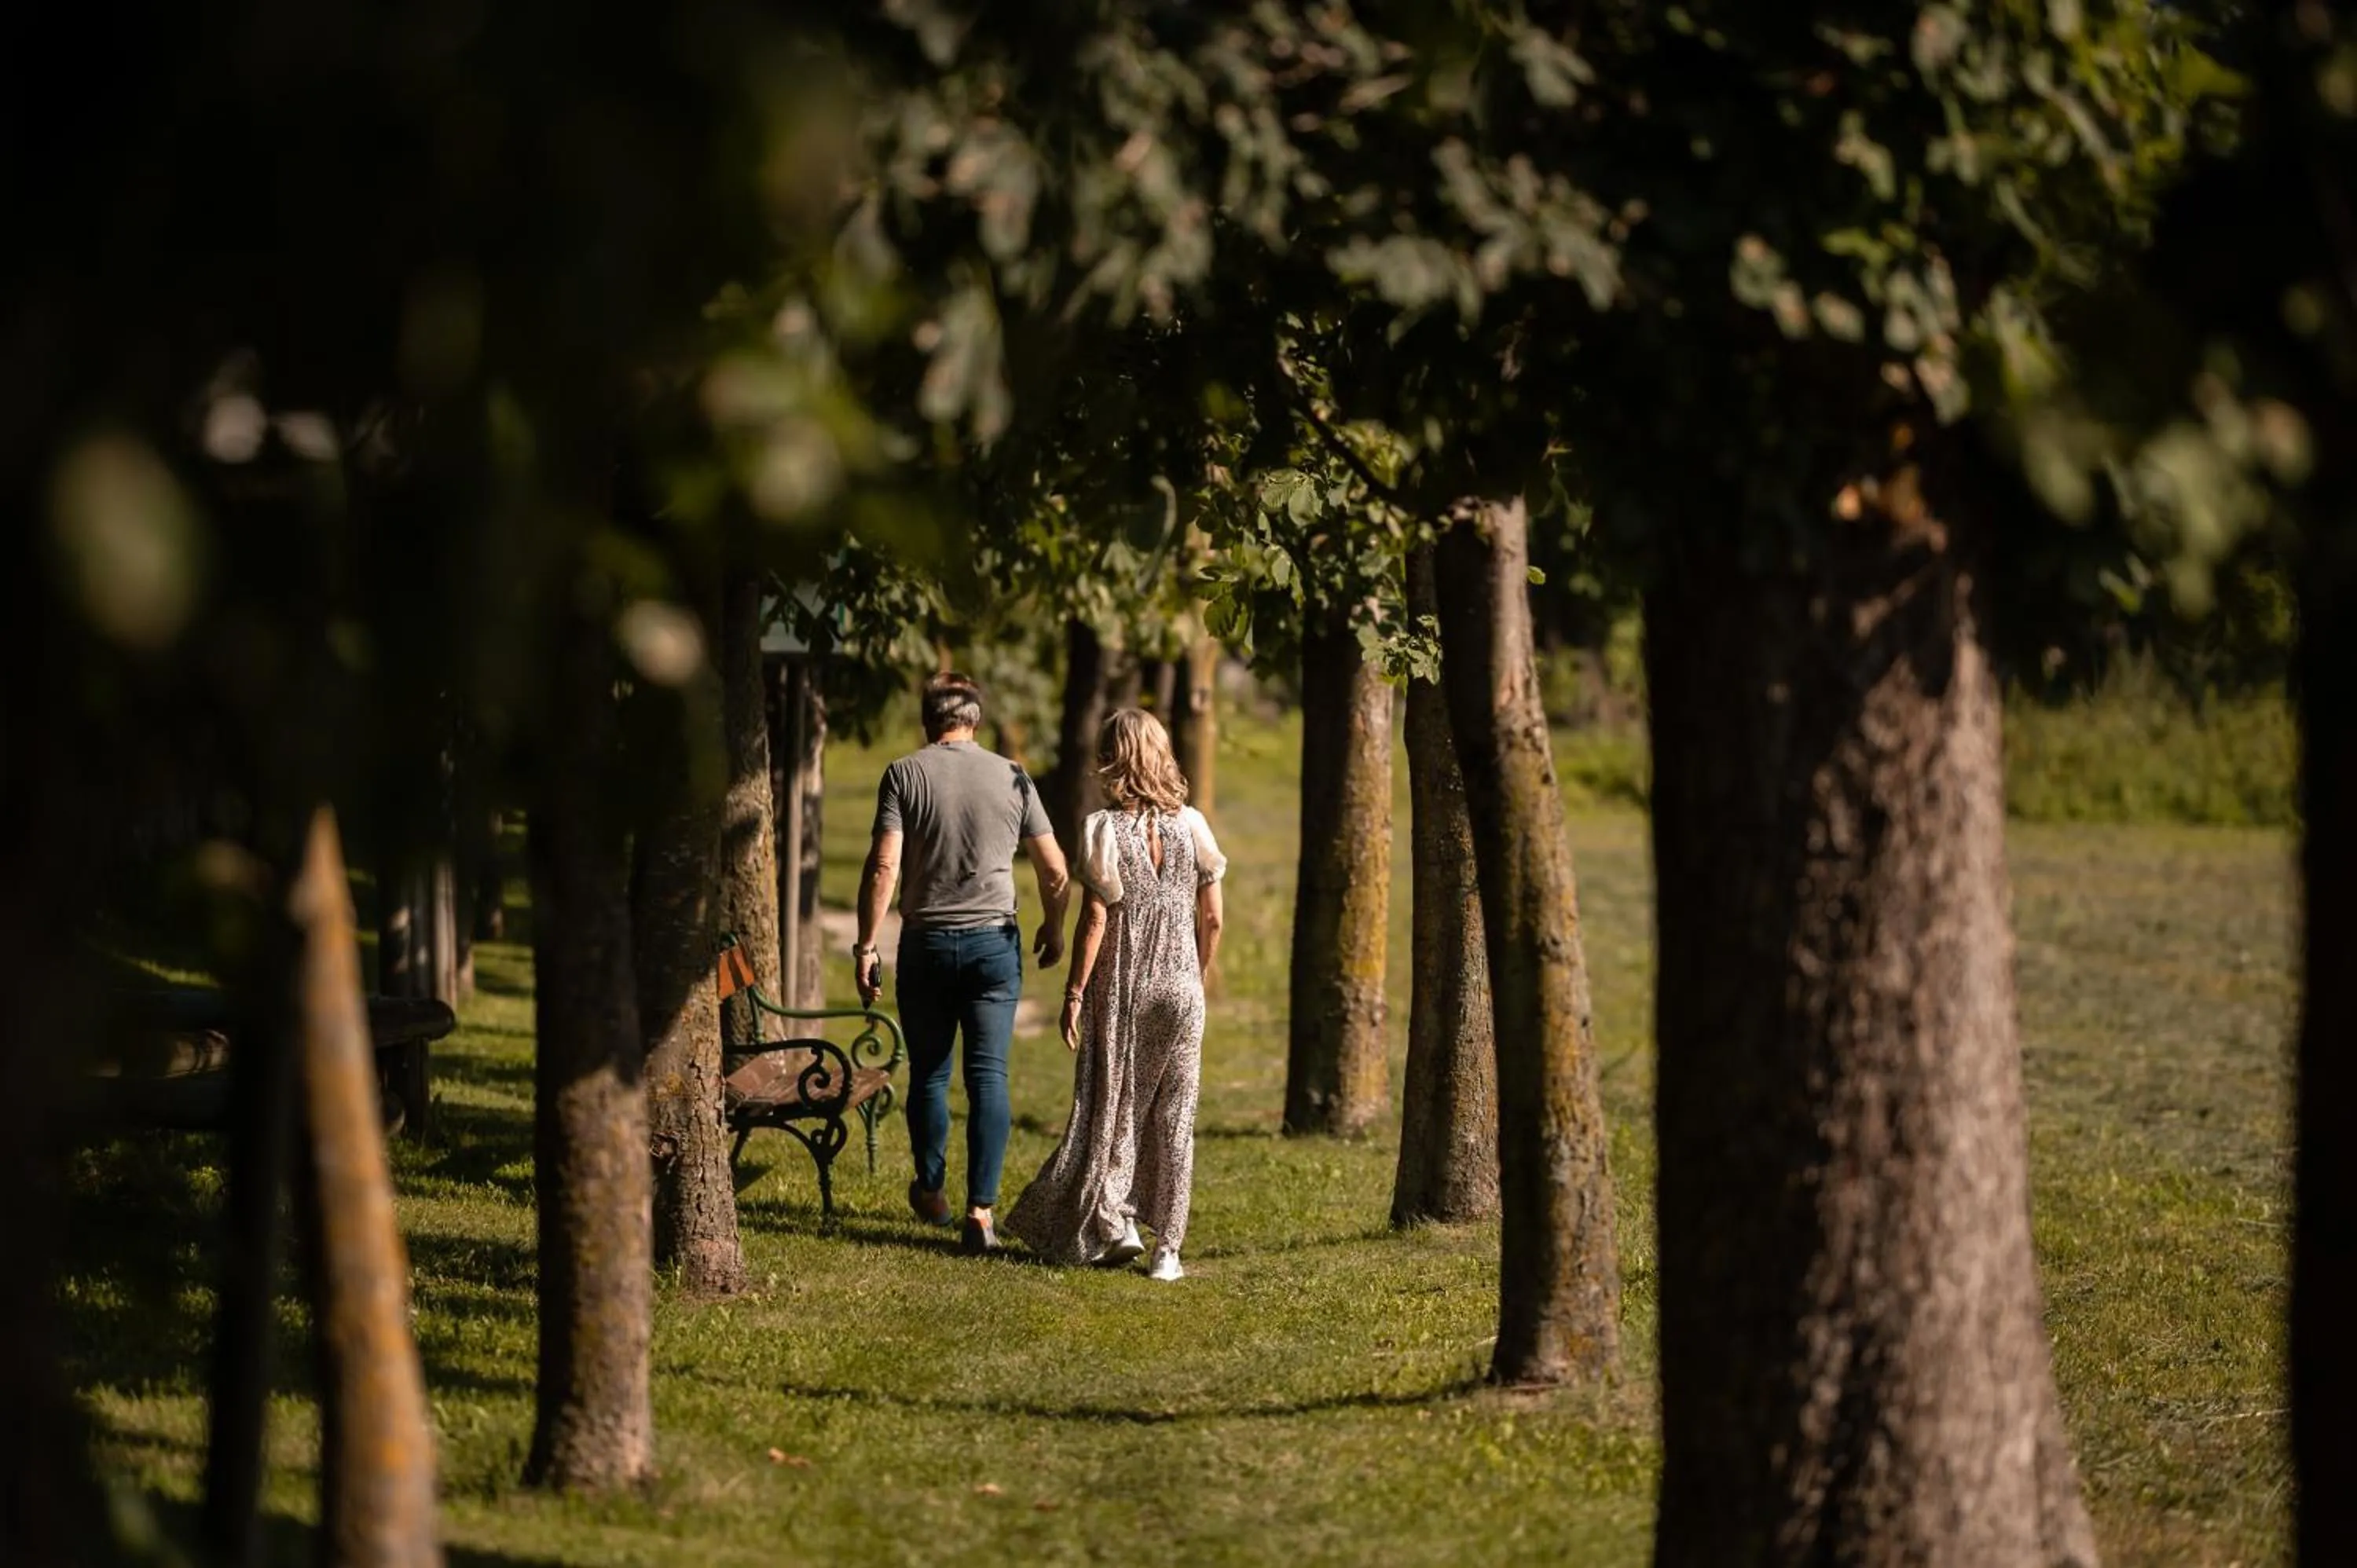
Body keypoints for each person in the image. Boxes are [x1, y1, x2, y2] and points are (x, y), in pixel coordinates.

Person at [1005, 708, 1226, 1281]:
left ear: (1111, 759)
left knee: (1117, 1103)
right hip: (1182, 987)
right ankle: (1168, 1251)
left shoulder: (1103, 829)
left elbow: (1095, 920)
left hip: (1125, 985)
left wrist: (1074, 992)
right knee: (1176, 1115)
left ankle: (1118, 1218)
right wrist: (1197, 974)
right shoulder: (1193, 825)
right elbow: (1213, 917)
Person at [856, 672, 1069, 1255]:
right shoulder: (1013, 775)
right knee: (988, 1076)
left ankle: (930, 1190)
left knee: (929, 1074)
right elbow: (1054, 869)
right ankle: (981, 1210)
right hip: (993, 945)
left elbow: (884, 866)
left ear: (929, 720)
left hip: (925, 943)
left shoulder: (904, 774)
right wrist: (1054, 925)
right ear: (975, 719)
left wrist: (867, 945)